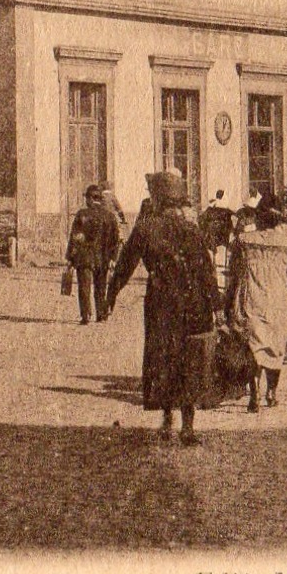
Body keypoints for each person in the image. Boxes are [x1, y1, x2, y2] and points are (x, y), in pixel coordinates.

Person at [105, 170, 221, 446]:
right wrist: (215, 304)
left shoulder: (147, 228)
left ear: (157, 199)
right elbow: (207, 270)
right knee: (190, 358)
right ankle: (188, 425)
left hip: (161, 302)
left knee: (163, 357)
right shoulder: (191, 230)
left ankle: (168, 417)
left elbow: (125, 263)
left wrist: (112, 293)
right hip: (193, 304)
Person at [226, 193, 287, 411]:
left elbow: (233, 272)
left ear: (258, 217)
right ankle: (271, 392)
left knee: (251, 343)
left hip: (250, 298)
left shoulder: (243, 241)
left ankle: (253, 388)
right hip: (279, 300)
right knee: (276, 343)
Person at [65, 185, 121, 324]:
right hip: (103, 258)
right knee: (100, 287)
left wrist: (70, 258)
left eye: (86, 198)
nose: (86, 201)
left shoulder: (82, 214)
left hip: (84, 257)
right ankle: (101, 314)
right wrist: (113, 258)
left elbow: (74, 238)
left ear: (90, 198)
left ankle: (86, 315)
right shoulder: (110, 216)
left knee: (84, 287)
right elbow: (116, 240)